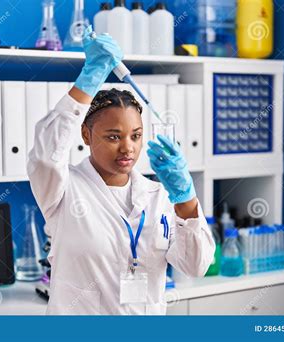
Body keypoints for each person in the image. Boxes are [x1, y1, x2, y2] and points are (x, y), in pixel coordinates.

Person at [27, 27, 215, 315]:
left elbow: (196, 265)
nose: (127, 148)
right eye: (113, 137)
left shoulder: (159, 196)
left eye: (136, 136)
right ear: (87, 136)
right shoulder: (63, 190)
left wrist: (186, 197)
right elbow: (45, 155)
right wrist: (90, 77)